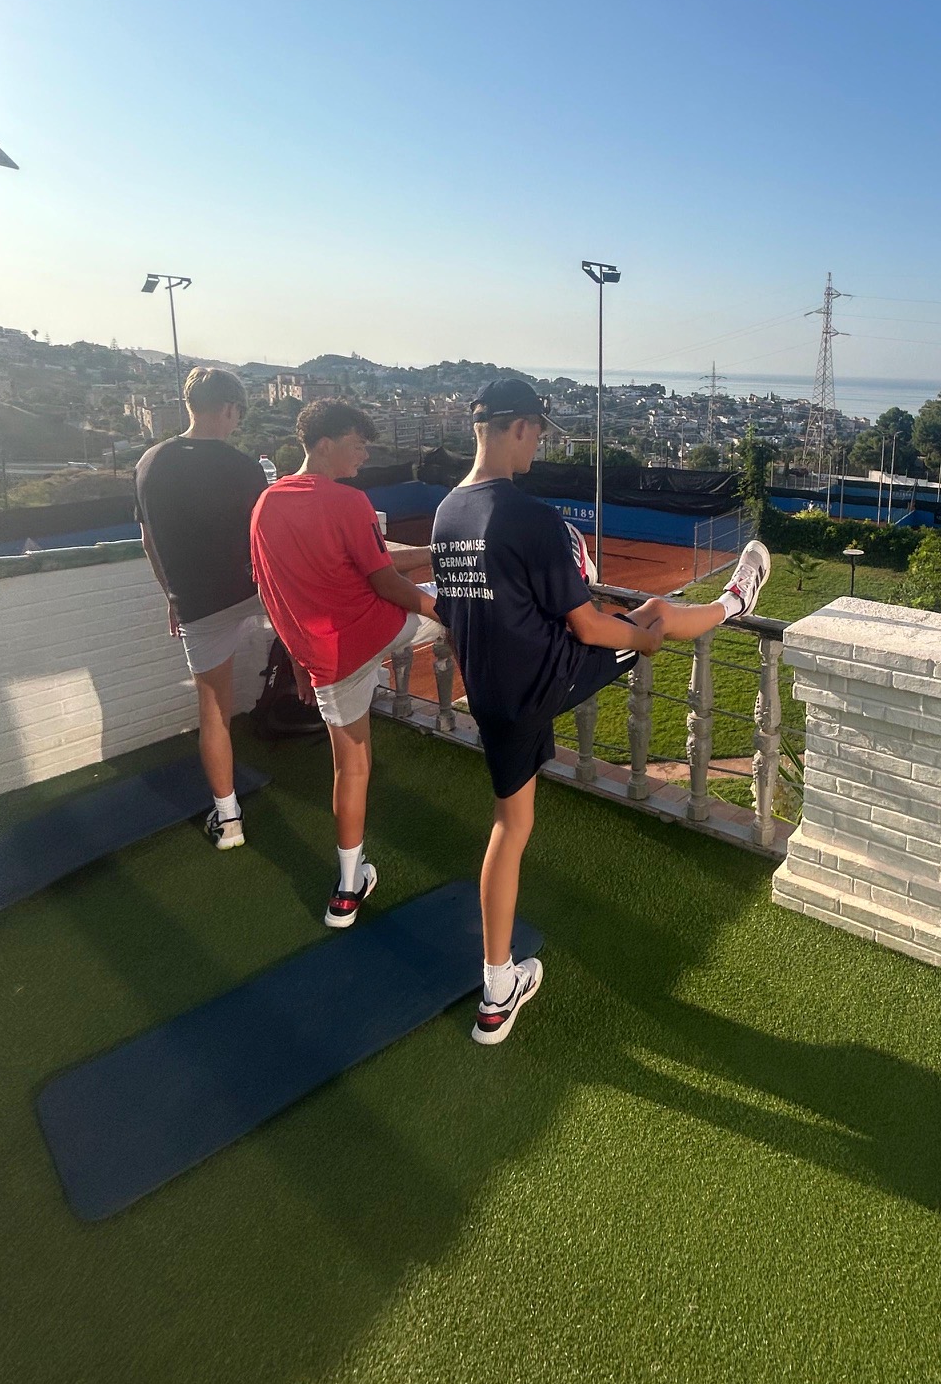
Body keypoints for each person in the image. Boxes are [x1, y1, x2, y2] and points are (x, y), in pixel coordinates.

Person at [431, 377, 772, 1045]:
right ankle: (737, 601)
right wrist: (643, 636)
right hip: (548, 678)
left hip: (494, 697)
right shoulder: (527, 517)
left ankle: (497, 992)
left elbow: (453, 618)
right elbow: (588, 629)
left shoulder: (447, 513)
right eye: (538, 433)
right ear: (520, 427)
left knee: (511, 826)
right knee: (657, 613)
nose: (538, 447)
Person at [250, 399, 440, 929]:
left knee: (350, 769)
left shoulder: (267, 504)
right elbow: (385, 583)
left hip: (326, 663)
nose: (364, 455)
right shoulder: (348, 500)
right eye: (358, 445)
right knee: (463, 603)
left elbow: (272, 592)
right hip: (377, 630)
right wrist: (440, 606)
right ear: (327, 442)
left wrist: (298, 662)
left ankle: (347, 891)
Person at [135, 366, 268, 849]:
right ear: (229, 408)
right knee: (312, 649)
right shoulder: (243, 466)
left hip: (196, 601)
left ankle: (228, 819)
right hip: (255, 590)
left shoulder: (151, 462)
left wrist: (172, 596)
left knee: (214, 708)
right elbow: (270, 538)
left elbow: (150, 541)